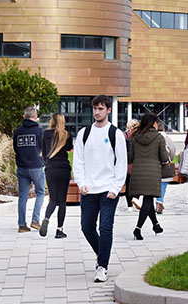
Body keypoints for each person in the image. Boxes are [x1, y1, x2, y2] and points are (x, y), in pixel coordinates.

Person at [74, 95, 128, 283]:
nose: (97, 112)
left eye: (101, 109)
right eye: (95, 109)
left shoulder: (116, 134)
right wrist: (81, 183)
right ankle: (102, 254)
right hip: (89, 189)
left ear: (108, 110)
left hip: (108, 190)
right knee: (86, 227)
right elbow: (78, 161)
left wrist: (116, 187)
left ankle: (102, 266)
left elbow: (121, 163)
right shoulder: (84, 133)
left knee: (105, 228)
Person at [128, 113, 168, 240]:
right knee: (148, 200)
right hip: (152, 173)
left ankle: (156, 225)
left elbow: (130, 157)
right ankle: (137, 229)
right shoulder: (159, 137)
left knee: (148, 200)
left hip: (138, 172)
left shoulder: (135, 137)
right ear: (153, 123)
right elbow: (163, 157)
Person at [40, 113, 73, 239]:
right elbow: (70, 148)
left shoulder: (46, 134)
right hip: (64, 169)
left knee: (53, 199)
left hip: (51, 169)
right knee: (62, 201)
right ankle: (59, 230)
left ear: (52, 121)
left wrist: (46, 163)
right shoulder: (66, 134)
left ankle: (47, 218)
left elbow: (43, 151)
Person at [13, 106, 45, 233]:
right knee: (41, 193)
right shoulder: (39, 131)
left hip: (21, 167)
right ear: (35, 117)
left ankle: (22, 225)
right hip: (36, 166)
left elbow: (16, 148)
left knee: (23, 197)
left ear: (24, 117)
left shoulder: (17, 131)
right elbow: (43, 148)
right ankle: (35, 220)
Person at [155, 122, 177, 214]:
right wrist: (170, 159)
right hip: (164, 165)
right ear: (164, 129)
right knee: (163, 185)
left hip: (155, 164)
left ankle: (155, 201)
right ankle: (159, 201)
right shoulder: (167, 138)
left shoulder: (154, 138)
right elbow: (173, 151)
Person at [123, 119, 139, 212]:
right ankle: (136, 198)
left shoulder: (124, 135)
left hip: (126, 163)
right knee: (138, 184)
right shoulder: (139, 136)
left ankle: (129, 205)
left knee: (128, 184)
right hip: (137, 163)